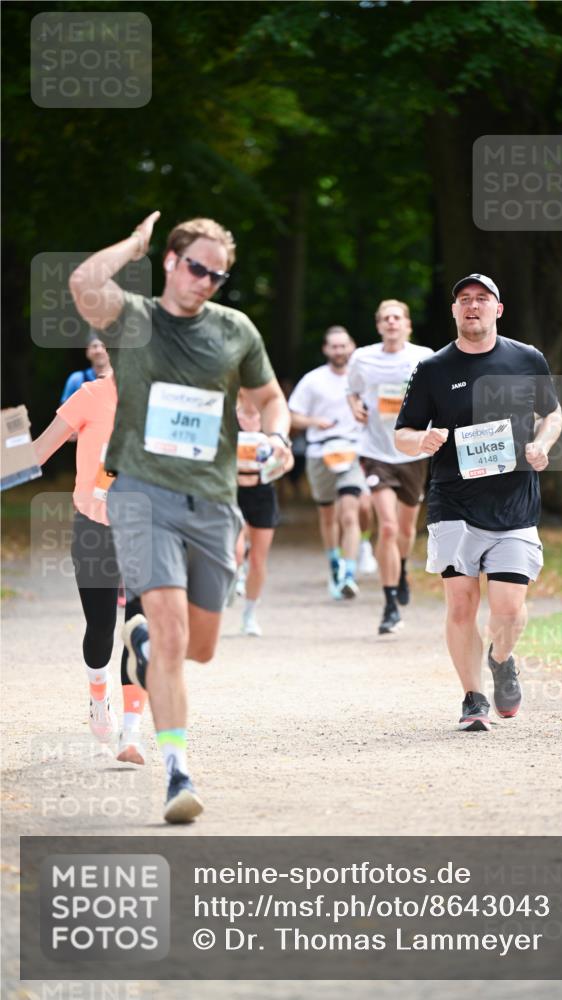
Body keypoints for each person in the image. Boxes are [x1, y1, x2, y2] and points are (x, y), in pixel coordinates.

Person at [68, 212, 291, 823]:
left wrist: (277, 436)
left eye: (217, 275)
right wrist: (131, 245)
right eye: (196, 267)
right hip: (142, 495)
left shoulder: (235, 330)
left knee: (200, 648)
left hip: (214, 500)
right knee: (168, 635)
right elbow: (84, 283)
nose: (205, 281)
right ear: (169, 261)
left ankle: (136, 643)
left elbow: (270, 397)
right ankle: (177, 773)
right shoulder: (134, 320)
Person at [395, 273, 562, 732]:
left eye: (482, 299)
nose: (473, 306)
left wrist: (544, 443)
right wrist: (422, 440)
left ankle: (501, 658)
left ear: (498, 309)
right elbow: (402, 433)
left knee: (508, 609)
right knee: (461, 605)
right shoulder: (433, 369)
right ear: (454, 311)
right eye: (464, 300)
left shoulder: (526, 358)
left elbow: (551, 413)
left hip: (514, 502)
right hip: (454, 503)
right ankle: (473, 698)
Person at [33, 373, 148, 764]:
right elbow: (41, 450)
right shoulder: (91, 395)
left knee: (140, 629)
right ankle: (99, 694)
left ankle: (131, 733)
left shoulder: (168, 395)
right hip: (95, 528)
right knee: (100, 627)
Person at [346, 301, 433, 634]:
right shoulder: (362, 358)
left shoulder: (424, 356)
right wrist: (354, 406)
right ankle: (390, 604)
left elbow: (439, 393)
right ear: (378, 325)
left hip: (411, 451)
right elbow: (351, 391)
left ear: (407, 324)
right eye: (385, 318)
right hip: (376, 451)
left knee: (407, 530)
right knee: (387, 527)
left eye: (397, 318)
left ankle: (401, 572)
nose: (392, 323)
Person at [289, 326, 369, 599]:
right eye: (333, 346)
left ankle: (349, 571)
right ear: (326, 349)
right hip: (320, 452)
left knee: (349, 512)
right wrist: (314, 422)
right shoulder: (313, 381)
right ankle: (334, 563)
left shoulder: (363, 379)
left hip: (352, 451)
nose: (339, 351)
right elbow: (292, 415)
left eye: (343, 346)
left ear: (352, 346)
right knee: (327, 516)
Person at [236, 388, 292, 636]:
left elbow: (287, 459)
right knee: (236, 549)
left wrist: (276, 466)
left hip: (262, 493)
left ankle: (249, 614)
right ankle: (235, 575)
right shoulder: (228, 416)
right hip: (232, 491)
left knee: (258, 560)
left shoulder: (272, 420)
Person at [60, 333, 112, 403]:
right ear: (87, 352)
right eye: (94, 346)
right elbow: (63, 411)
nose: (99, 350)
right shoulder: (76, 379)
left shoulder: (121, 379)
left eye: (104, 346)